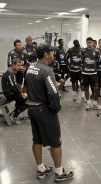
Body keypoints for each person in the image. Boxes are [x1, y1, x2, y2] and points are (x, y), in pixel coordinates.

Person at [25, 43, 74, 182]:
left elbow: (27, 88)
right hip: (44, 111)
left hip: (32, 109)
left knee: (37, 140)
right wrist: (56, 108)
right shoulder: (47, 71)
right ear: (46, 54)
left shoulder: (30, 68)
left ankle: (41, 169)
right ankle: (59, 172)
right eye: (52, 52)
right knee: (56, 142)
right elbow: (53, 93)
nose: (54, 54)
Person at [1, 58, 28, 124]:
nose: (20, 67)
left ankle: (15, 113)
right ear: (13, 64)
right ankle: (14, 116)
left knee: (22, 101)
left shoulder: (11, 71)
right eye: (18, 65)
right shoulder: (10, 73)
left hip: (12, 92)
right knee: (28, 102)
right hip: (9, 94)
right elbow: (13, 86)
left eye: (20, 65)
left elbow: (14, 85)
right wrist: (21, 94)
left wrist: (21, 93)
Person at [81, 37, 99, 110]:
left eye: (90, 42)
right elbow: (81, 61)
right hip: (85, 73)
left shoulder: (96, 51)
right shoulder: (83, 51)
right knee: (86, 88)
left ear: (93, 43)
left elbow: (98, 61)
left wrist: (95, 68)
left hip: (93, 73)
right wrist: (82, 69)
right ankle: (88, 103)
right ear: (86, 43)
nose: (89, 44)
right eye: (88, 42)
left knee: (96, 89)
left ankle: (95, 103)